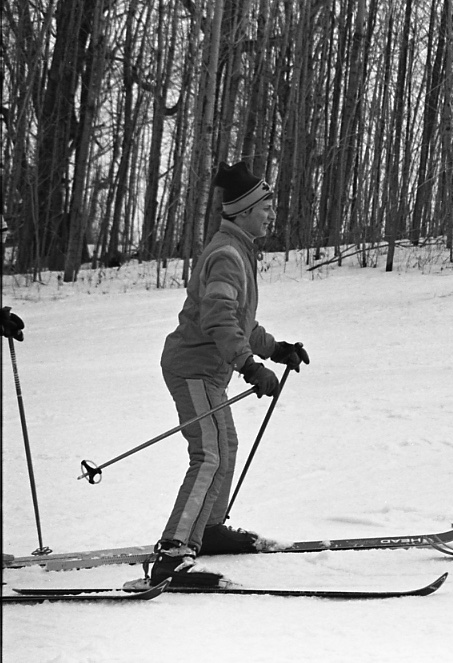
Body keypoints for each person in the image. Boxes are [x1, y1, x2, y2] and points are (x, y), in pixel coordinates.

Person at [151, 161, 310, 587]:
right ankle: (174, 550)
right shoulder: (227, 254)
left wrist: (275, 349)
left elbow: (240, 323)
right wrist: (248, 366)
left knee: (225, 445)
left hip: (207, 369)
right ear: (242, 212)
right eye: (266, 208)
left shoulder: (237, 250)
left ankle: (208, 529)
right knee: (209, 454)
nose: (272, 215)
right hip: (194, 368)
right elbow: (218, 319)